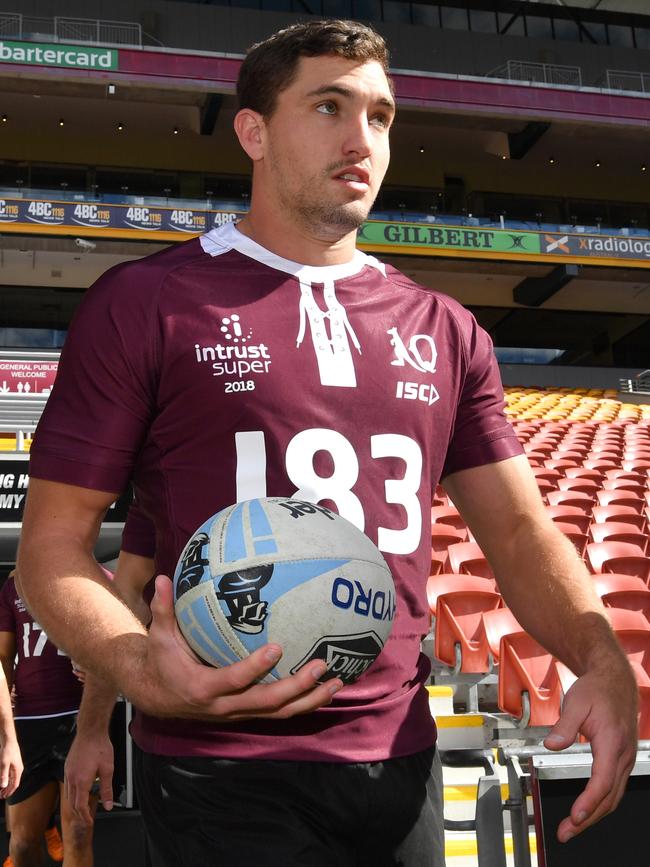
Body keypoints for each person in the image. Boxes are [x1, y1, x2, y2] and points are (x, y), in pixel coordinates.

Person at [16, 18, 638, 867]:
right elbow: (49, 552)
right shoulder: (147, 301)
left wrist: (598, 657)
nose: (362, 139)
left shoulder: (447, 329)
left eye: (381, 116)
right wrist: (139, 672)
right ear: (254, 131)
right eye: (329, 106)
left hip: (397, 766)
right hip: (216, 769)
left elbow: (522, 532)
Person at [0, 572, 96, 867]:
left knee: (79, 833)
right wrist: (7, 738)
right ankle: (47, 826)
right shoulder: (15, 586)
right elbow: (3, 658)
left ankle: (52, 826)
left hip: (81, 719)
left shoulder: (96, 579)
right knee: (23, 843)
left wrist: (102, 671)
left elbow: (121, 647)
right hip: (29, 723)